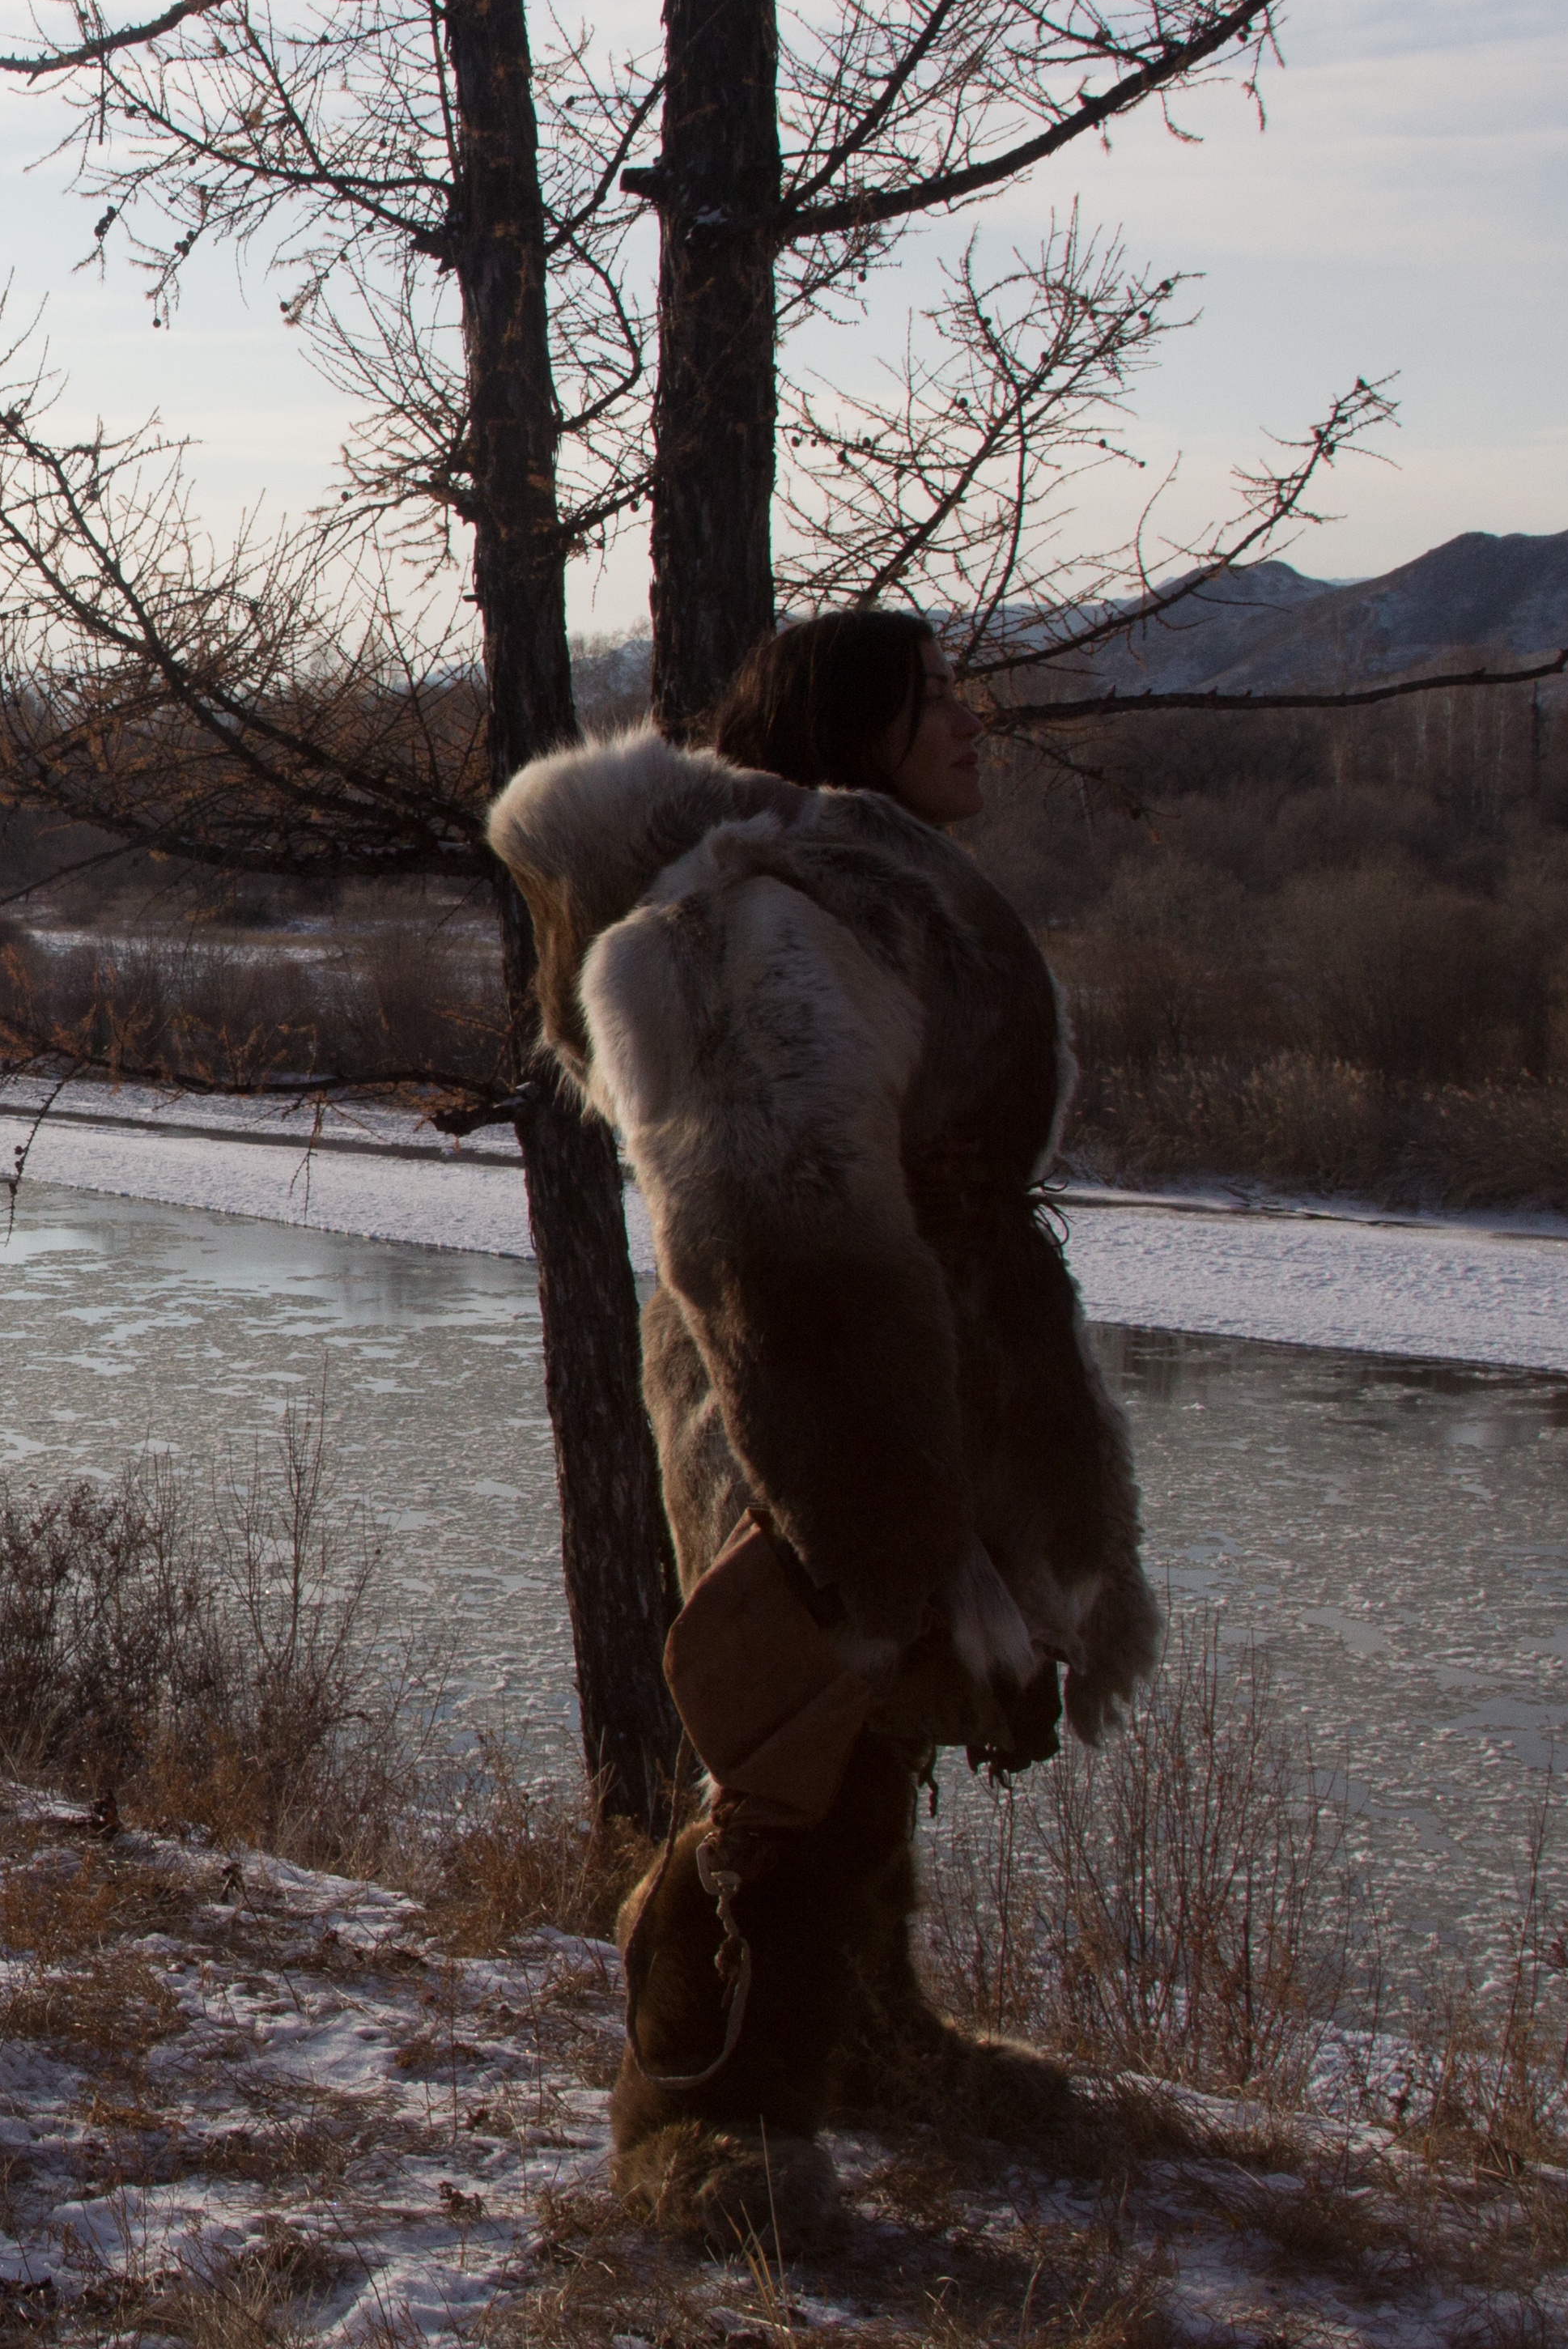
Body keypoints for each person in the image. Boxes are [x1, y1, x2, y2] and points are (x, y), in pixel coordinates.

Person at [484, 609, 1158, 2240]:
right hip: (807, 1378)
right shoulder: (763, 916)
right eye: (934, 702)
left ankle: (865, 2040)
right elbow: (777, 1222)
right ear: (853, 732)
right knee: (799, 1736)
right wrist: (860, 1480)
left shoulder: (854, 885)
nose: (972, 722)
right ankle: (707, 2121)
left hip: (919, 1365)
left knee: (878, 1725)